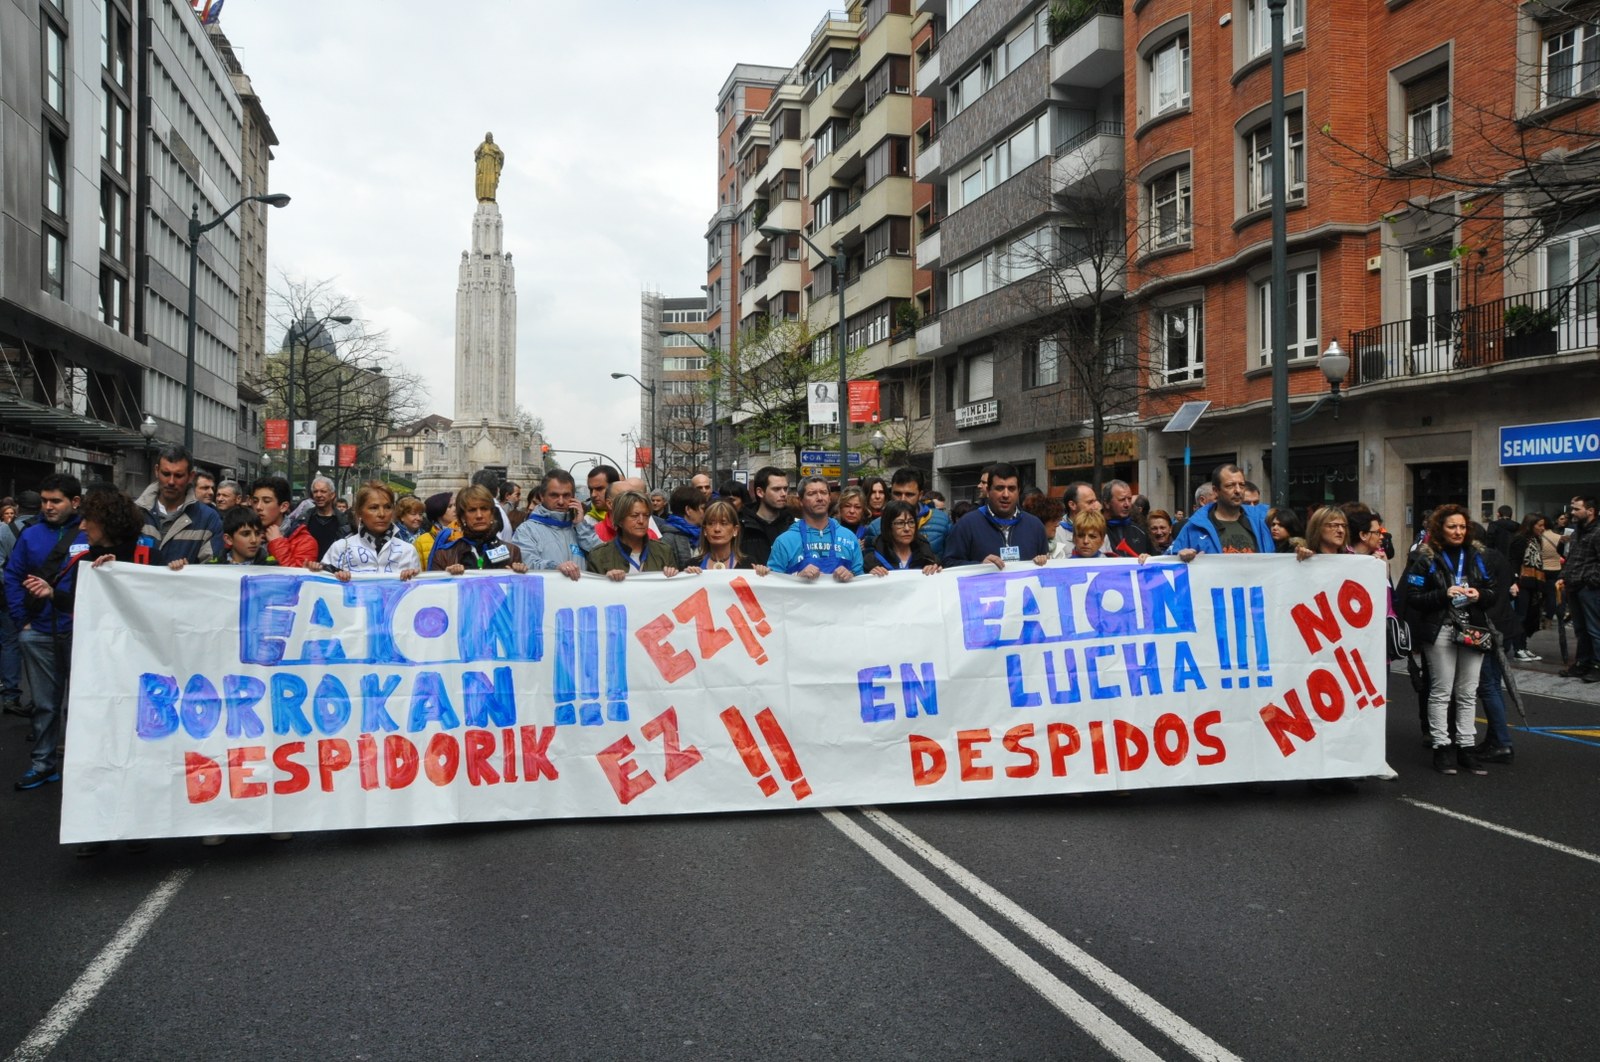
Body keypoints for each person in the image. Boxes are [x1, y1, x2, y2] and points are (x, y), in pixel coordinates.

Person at [1399, 504, 1495, 775]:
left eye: (1462, 527)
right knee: (1441, 691)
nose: (1458, 531)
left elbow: (1492, 592)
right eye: (1452, 526)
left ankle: (1466, 747)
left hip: (1472, 628)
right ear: (1440, 528)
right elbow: (1413, 597)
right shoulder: (1425, 557)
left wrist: (1479, 595)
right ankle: (1442, 747)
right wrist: (1443, 594)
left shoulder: (1476, 555)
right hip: (1440, 629)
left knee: (1467, 692)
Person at [4, 473, 86, 790]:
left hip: (80, 631)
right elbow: (12, 575)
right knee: (44, 705)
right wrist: (22, 619)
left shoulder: (90, 533)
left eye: (56, 501)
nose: (48, 506)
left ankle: (83, 767)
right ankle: (43, 763)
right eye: (44, 501)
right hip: (38, 630)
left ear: (74, 502)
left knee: (81, 703)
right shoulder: (30, 535)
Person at [943, 462, 1050, 568]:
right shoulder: (966, 525)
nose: (1006, 495)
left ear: (1019, 491)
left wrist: (1043, 562)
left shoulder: (1035, 526)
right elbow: (949, 564)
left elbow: (1047, 570)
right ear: (988, 491)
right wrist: (979, 566)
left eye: (1011, 488)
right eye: (999, 488)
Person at [311, 482, 421, 580]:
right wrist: (338, 580)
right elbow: (323, 589)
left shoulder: (408, 551)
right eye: (374, 507)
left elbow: (416, 595)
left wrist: (411, 580)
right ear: (359, 512)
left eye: (387, 507)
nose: (382, 514)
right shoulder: (340, 549)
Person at [134, 445, 223, 564]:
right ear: (156, 471)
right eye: (166, 474)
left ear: (190, 476)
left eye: (178, 475)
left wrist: (189, 571)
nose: (171, 482)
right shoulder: (134, 513)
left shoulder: (209, 519)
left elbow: (213, 567)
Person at [767, 476, 863, 581]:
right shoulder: (784, 541)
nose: (820, 498)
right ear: (800, 500)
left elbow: (861, 579)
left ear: (829, 498)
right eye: (812, 494)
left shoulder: (849, 537)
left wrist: (851, 575)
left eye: (823, 492)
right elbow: (773, 583)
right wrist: (797, 577)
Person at [1170, 465, 1273, 560]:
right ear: (1215, 490)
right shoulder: (1194, 527)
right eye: (1230, 486)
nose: (1238, 490)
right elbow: (1169, 563)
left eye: (1242, 485)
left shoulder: (1263, 521)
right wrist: (1180, 557)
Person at [512, 471, 600, 579]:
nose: (561, 502)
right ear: (542, 496)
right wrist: (555, 568)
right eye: (554, 495)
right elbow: (527, 564)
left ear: (574, 497)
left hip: (580, 594)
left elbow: (601, 558)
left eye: (566, 495)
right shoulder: (526, 530)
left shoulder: (580, 528)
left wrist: (581, 526)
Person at [431, 484, 528, 573]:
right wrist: (446, 578)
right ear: (462, 517)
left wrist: (517, 578)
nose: (479, 515)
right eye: (472, 510)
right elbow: (436, 590)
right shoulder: (443, 555)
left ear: (492, 514)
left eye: (484, 509)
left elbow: (519, 591)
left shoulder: (512, 551)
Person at [587, 490, 681, 580]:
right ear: (620, 520)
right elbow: (593, 593)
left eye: (646, 515)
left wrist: (674, 575)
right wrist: (605, 581)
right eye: (634, 516)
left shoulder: (664, 551)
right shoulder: (599, 555)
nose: (641, 521)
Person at [859, 468, 952, 559]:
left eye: (909, 494)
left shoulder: (942, 521)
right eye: (897, 494)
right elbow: (870, 564)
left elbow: (951, 560)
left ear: (920, 495)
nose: (903, 499)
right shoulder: (876, 527)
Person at [1556, 494, 1600, 681]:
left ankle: (1597, 665)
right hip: (1574, 586)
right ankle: (1583, 663)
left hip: (1588, 588)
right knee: (1580, 629)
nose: (1572, 512)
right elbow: (1572, 558)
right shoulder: (1576, 532)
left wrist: (1591, 580)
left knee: (1594, 628)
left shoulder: (1598, 532)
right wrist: (1563, 577)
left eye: (1576, 509)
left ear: (1590, 511)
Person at [248, 476, 319, 568]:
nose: (258, 507)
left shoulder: (304, 542)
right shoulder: (243, 533)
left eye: (266, 501)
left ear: (283, 507)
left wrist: (277, 543)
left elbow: (297, 577)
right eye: (255, 501)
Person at [864, 499, 941, 576]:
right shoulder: (873, 560)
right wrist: (869, 575)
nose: (907, 528)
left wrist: (936, 569)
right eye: (900, 523)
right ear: (888, 526)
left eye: (911, 522)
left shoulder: (927, 555)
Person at [1511, 513, 1549, 661]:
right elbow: (1514, 561)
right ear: (1530, 525)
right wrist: (1514, 581)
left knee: (1529, 616)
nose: (1542, 528)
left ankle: (1524, 646)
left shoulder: (1536, 540)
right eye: (1539, 525)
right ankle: (1518, 648)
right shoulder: (1520, 539)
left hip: (1534, 583)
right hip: (1523, 582)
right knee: (1521, 615)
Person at [738, 466, 794, 566]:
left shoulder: (792, 525)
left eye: (785, 489)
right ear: (760, 492)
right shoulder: (741, 525)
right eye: (776, 489)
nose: (783, 494)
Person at [692, 500, 767, 572]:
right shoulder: (692, 565)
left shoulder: (749, 564)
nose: (717, 529)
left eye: (724, 523)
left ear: (735, 530)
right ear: (705, 530)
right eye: (711, 523)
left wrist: (763, 575)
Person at [1099, 479, 1149, 558]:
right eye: (1122, 500)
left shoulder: (1140, 530)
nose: (1127, 504)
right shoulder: (1095, 530)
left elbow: (1156, 560)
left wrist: (1149, 558)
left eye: (1129, 499)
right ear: (1107, 503)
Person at [658, 485, 704, 567]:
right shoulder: (667, 540)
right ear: (688, 510)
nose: (705, 513)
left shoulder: (704, 535)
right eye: (702, 508)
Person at [300, 476, 346, 560]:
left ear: (332, 495)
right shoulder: (304, 518)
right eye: (315, 491)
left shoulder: (343, 521)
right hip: (309, 568)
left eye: (323, 491)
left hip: (333, 568)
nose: (318, 495)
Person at [1051, 481, 1100, 555]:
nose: (1096, 506)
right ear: (1072, 505)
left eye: (1095, 501)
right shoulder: (1056, 533)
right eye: (1090, 502)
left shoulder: (1100, 528)